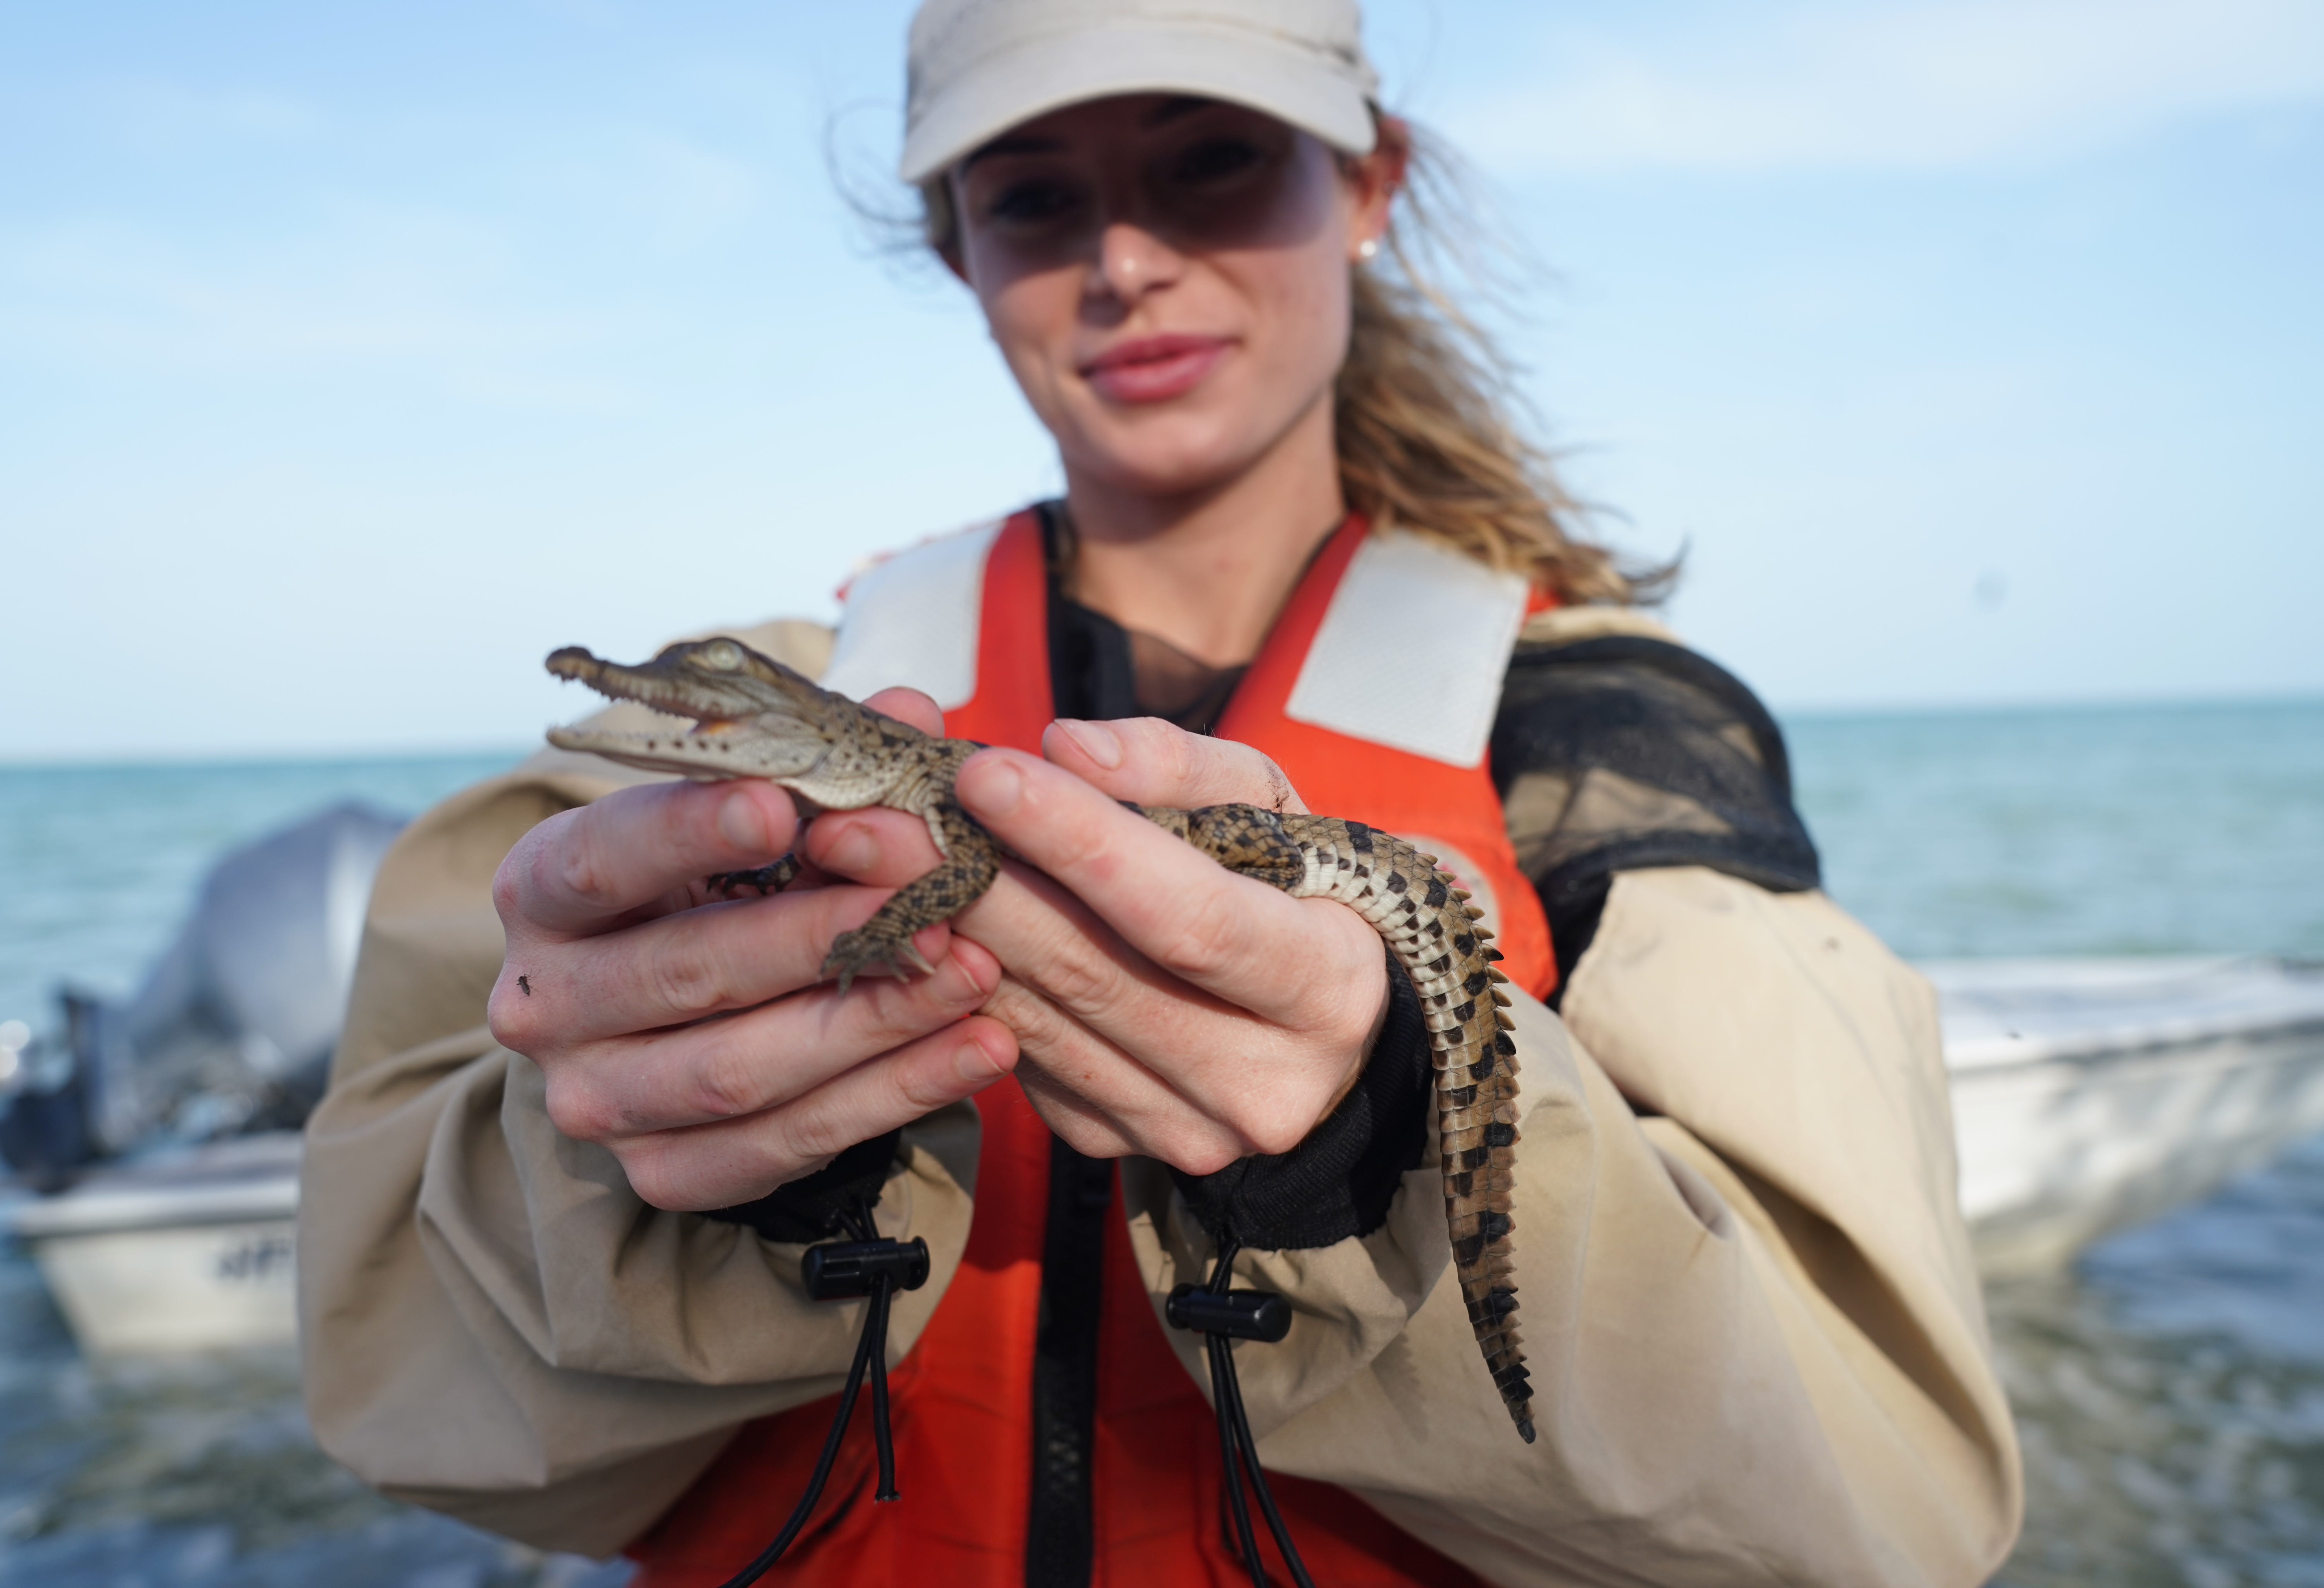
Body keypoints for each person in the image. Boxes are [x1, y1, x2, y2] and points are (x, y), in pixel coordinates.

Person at [299, 1, 2025, 1583]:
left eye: (1213, 163)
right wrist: (668, 1159)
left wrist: (1368, 1148)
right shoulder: (774, 689)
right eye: (1036, 196)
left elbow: (1866, 1514)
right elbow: (411, 1401)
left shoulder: (1612, 741)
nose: (1125, 260)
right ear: (954, 246)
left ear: (1367, 185)